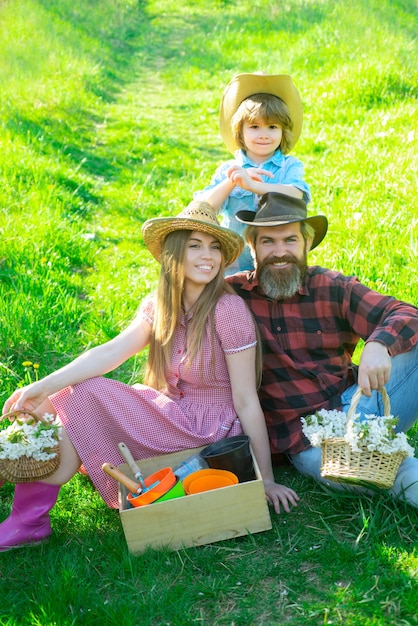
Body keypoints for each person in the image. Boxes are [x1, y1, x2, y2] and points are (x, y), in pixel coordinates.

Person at [0, 201, 300, 552]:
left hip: (208, 429)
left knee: (83, 395)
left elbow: (246, 400)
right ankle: (21, 484)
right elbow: (110, 352)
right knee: (63, 396)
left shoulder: (227, 309)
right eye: (195, 246)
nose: (208, 256)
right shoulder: (160, 304)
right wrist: (41, 386)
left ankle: (28, 519)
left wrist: (264, 479)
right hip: (173, 413)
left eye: (215, 247)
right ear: (174, 254)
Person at [226, 192, 418, 507]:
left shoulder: (331, 287)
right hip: (308, 439)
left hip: (360, 404)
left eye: (289, 240)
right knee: (377, 472)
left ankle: (379, 445)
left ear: (306, 244)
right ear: (252, 247)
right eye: (267, 242)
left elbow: (403, 313)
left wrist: (378, 344)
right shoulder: (234, 297)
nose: (279, 252)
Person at [194, 72, 311, 274]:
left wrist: (255, 186)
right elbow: (201, 209)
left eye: (273, 127)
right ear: (240, 131)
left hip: (277, 261)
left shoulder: (289, 166)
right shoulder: (228, 169)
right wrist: (231, 181)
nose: (264, 134)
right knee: (235, 303)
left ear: (283, 131)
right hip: (235, 263)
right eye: (254, 127)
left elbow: (297, 194)